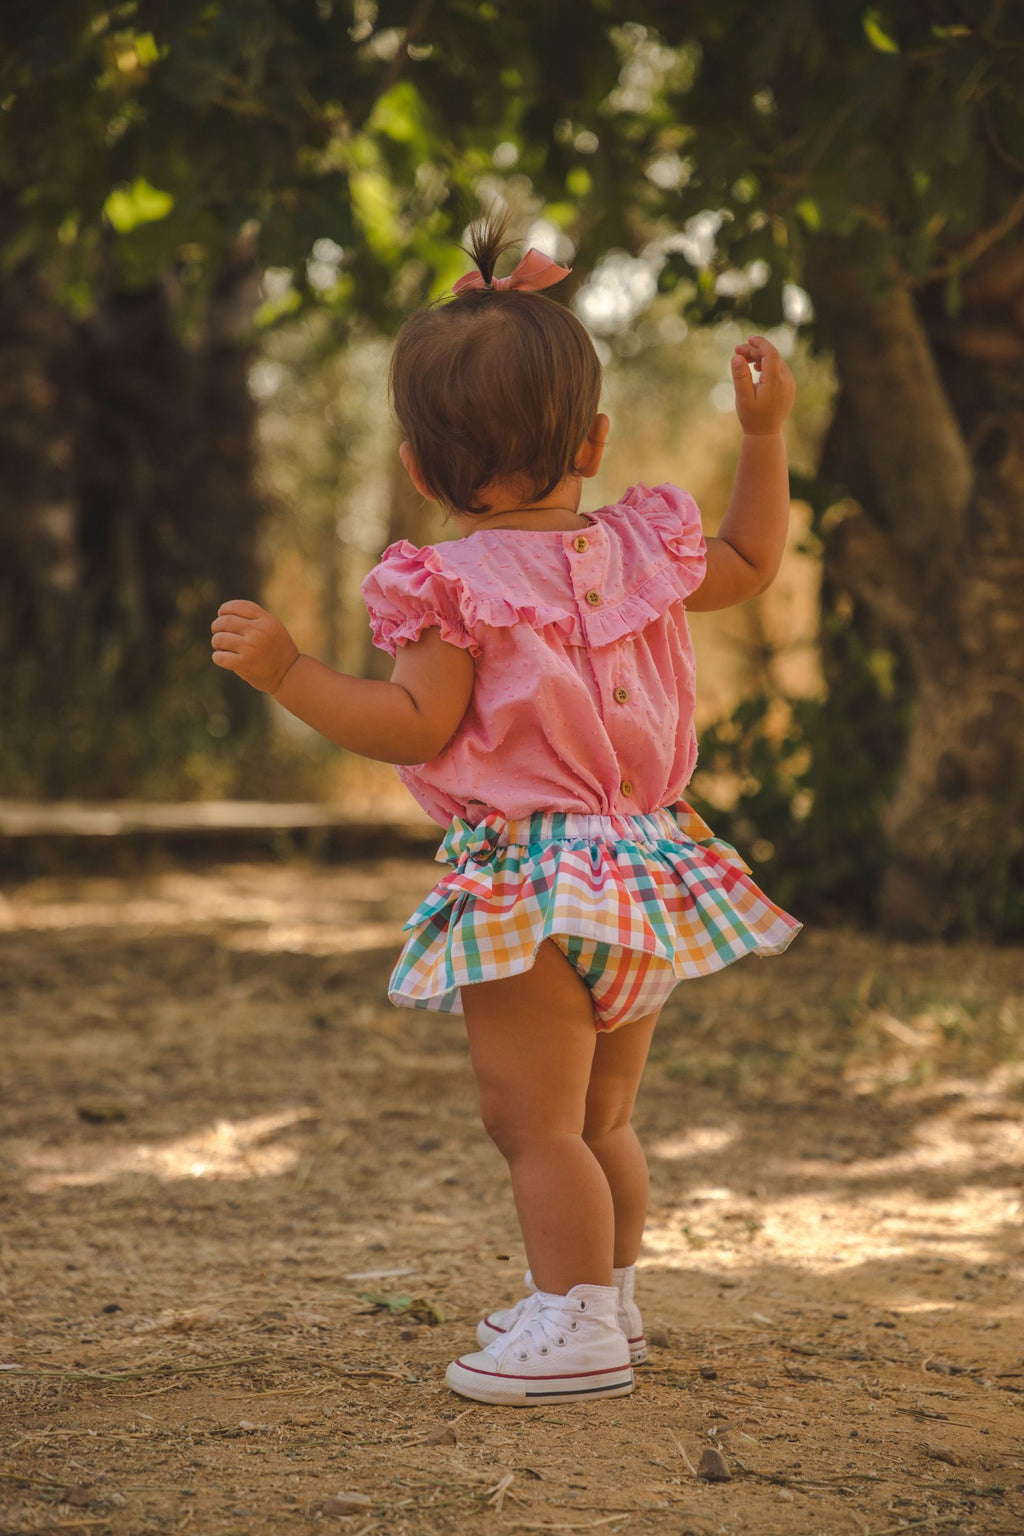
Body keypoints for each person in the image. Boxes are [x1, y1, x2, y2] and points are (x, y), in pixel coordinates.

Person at [211, 213, 801, 1408]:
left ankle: (571, 1321)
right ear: (591, 439)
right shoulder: (639, 548)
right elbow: (750, 561)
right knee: (603, 1120)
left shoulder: (451, 585)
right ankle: (607, 1300)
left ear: (420, 469)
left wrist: (291, 674)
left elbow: (410, 725)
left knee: (535, 1128)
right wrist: (763, 435)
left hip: (532, 885)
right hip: (649, 873)